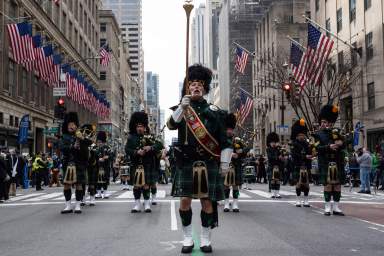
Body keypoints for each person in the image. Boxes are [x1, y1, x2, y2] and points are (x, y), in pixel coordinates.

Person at [167, 64, 232, 253]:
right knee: (185, 201)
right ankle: (187, 238)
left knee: (207, 202)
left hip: (208, 162)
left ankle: (205, 239)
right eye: (192, 84)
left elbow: (225, 141)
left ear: (205, 88)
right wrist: (181, 106)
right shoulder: (182, 109)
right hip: (186, 162)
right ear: (187, 88)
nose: (196, 87)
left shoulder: (216, 112)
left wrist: (225, 163)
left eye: (199, 84)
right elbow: (171, 125)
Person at [125, 112, 163, 213]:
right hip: (136, 164)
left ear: (145, 127)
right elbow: (127, 149)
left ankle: (146, 204)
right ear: (135, 127)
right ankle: (137, 204)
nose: (139, 128)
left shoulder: (150, 136)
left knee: (146, 185)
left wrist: (150, 147)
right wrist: (136, 152)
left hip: (147, 164)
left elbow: (160, 145)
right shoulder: (131, 137)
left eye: (141, 126)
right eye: (138, 126)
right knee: (136, 185)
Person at [313, 104, 345, 216]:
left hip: (337, 163)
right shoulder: (318, 135)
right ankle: (327, 207)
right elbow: (317, 148)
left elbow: (345, 144)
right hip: (326, 162)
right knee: (328, 185)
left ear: (330, 122)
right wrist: (328, 147)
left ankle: (336, 207)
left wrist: (341, 143)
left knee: (337, 185)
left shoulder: (337, 133)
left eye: (325, 122)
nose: (323, 124)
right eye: (322, 122)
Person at [59, 112, 91, 214]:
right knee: (66, 184)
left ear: (76, 125)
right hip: (67, 163)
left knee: (79, 184)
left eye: (72, 124)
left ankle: (77, 205)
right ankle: (68, 205)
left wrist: (81, 139)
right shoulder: (64, 137)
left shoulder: (81, 136)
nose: (70, 126)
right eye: (69, 124)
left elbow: (88, 147)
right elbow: (62, 148)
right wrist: (72, 147)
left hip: (79, 163)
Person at [223, 113, 246, 212]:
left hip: (236, 165)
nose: (229, 131)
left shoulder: (238, 141)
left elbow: (245, 151)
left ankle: (235, 203)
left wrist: (240, 154)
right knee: (226, 185)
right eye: (228, 129)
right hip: (225, 165)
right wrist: (228, 155)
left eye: (231, 129)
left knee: (235, 185)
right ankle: (226, 203)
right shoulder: (222, 140)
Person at [290, 119, 312, 207]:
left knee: (306, 184)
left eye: (303, 134)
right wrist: (304, 156)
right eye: (300, 135)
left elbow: (310, 153)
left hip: (307, 165)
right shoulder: (294, 144)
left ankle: (306, 200)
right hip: (298, 165)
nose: (302, 136)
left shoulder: (307, 144)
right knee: (298, 184)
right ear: (296, 135)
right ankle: (298, 200)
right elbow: (294, 155)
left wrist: (312, 153)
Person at [95, 131, 113, 199]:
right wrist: (98, 159)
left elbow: (111, 155)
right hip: (98, 166)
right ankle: (99, 193)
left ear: (103, 141)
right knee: (98, 180)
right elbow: (93, 157)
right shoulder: (96, 148)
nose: (99, 143)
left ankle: (105, 193)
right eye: (98, 142)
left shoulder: (107, 148)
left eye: (100, 142)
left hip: (105, 166)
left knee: (105, 180)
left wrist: (107, 157)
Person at [267, 132, 283, 198]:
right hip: (272, 166)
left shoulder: (278, 149)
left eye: (274, 142)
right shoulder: (268, 149)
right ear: (269, 143)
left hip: (278, 166)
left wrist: (281, 156)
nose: (273, 143)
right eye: (272, 142)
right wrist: (277, 157)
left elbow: (281, 156)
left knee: (278, 180)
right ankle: (273, 192)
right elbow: (270, 157)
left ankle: (277, 192)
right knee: (272, 180)